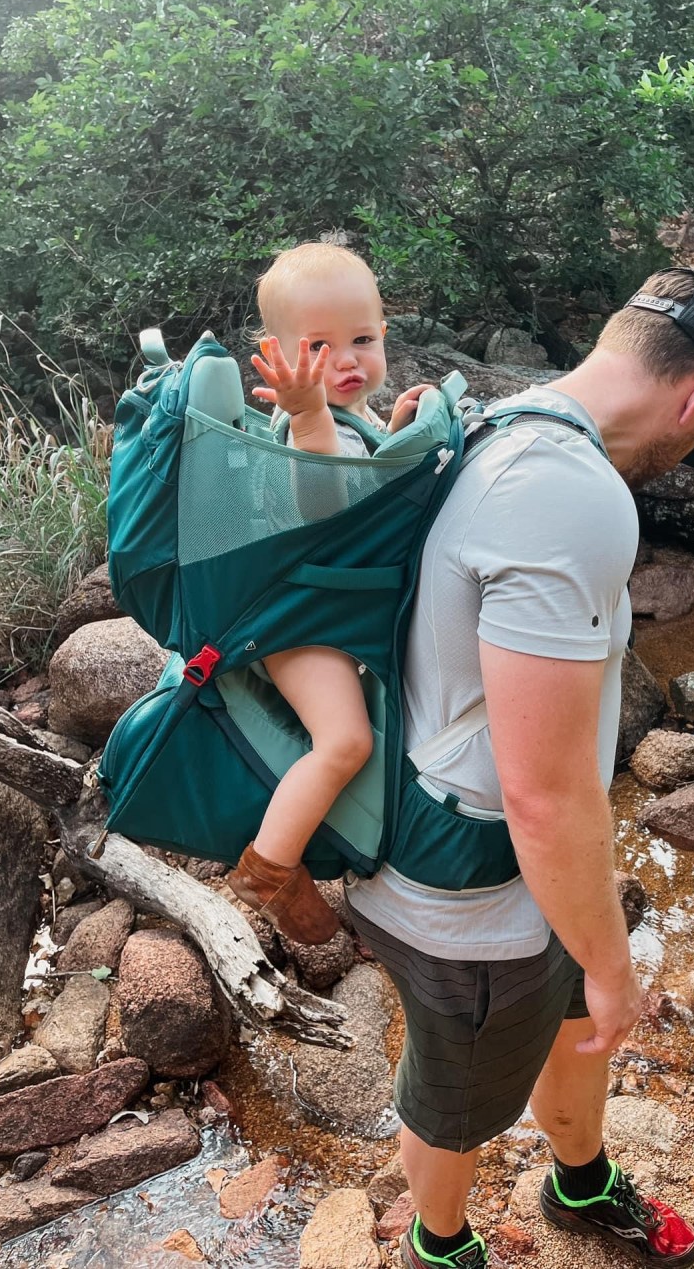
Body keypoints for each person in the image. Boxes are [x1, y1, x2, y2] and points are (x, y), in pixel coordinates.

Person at [345, 266, 694, 1269]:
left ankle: (580, 1183)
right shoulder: (568, 493)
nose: (684, 460)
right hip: (469, 887)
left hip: (513, 856)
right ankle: (440, 1245)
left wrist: (588, 929)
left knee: (574, 1024)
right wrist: (615, 963)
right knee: (453, 1101)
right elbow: (542, 793)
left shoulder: (498, 421)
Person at [226, 242, 431, 945]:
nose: (347, 360)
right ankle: (267, 868)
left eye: (363, 340)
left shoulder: (352, 417)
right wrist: (309, 413)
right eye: (319, 347)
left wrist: (393, 434)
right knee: (345, 741)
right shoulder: (306, 424)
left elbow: (361, 480)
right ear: (277, 357)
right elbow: (322, 498)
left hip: (324, 607)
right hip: (294, 622)